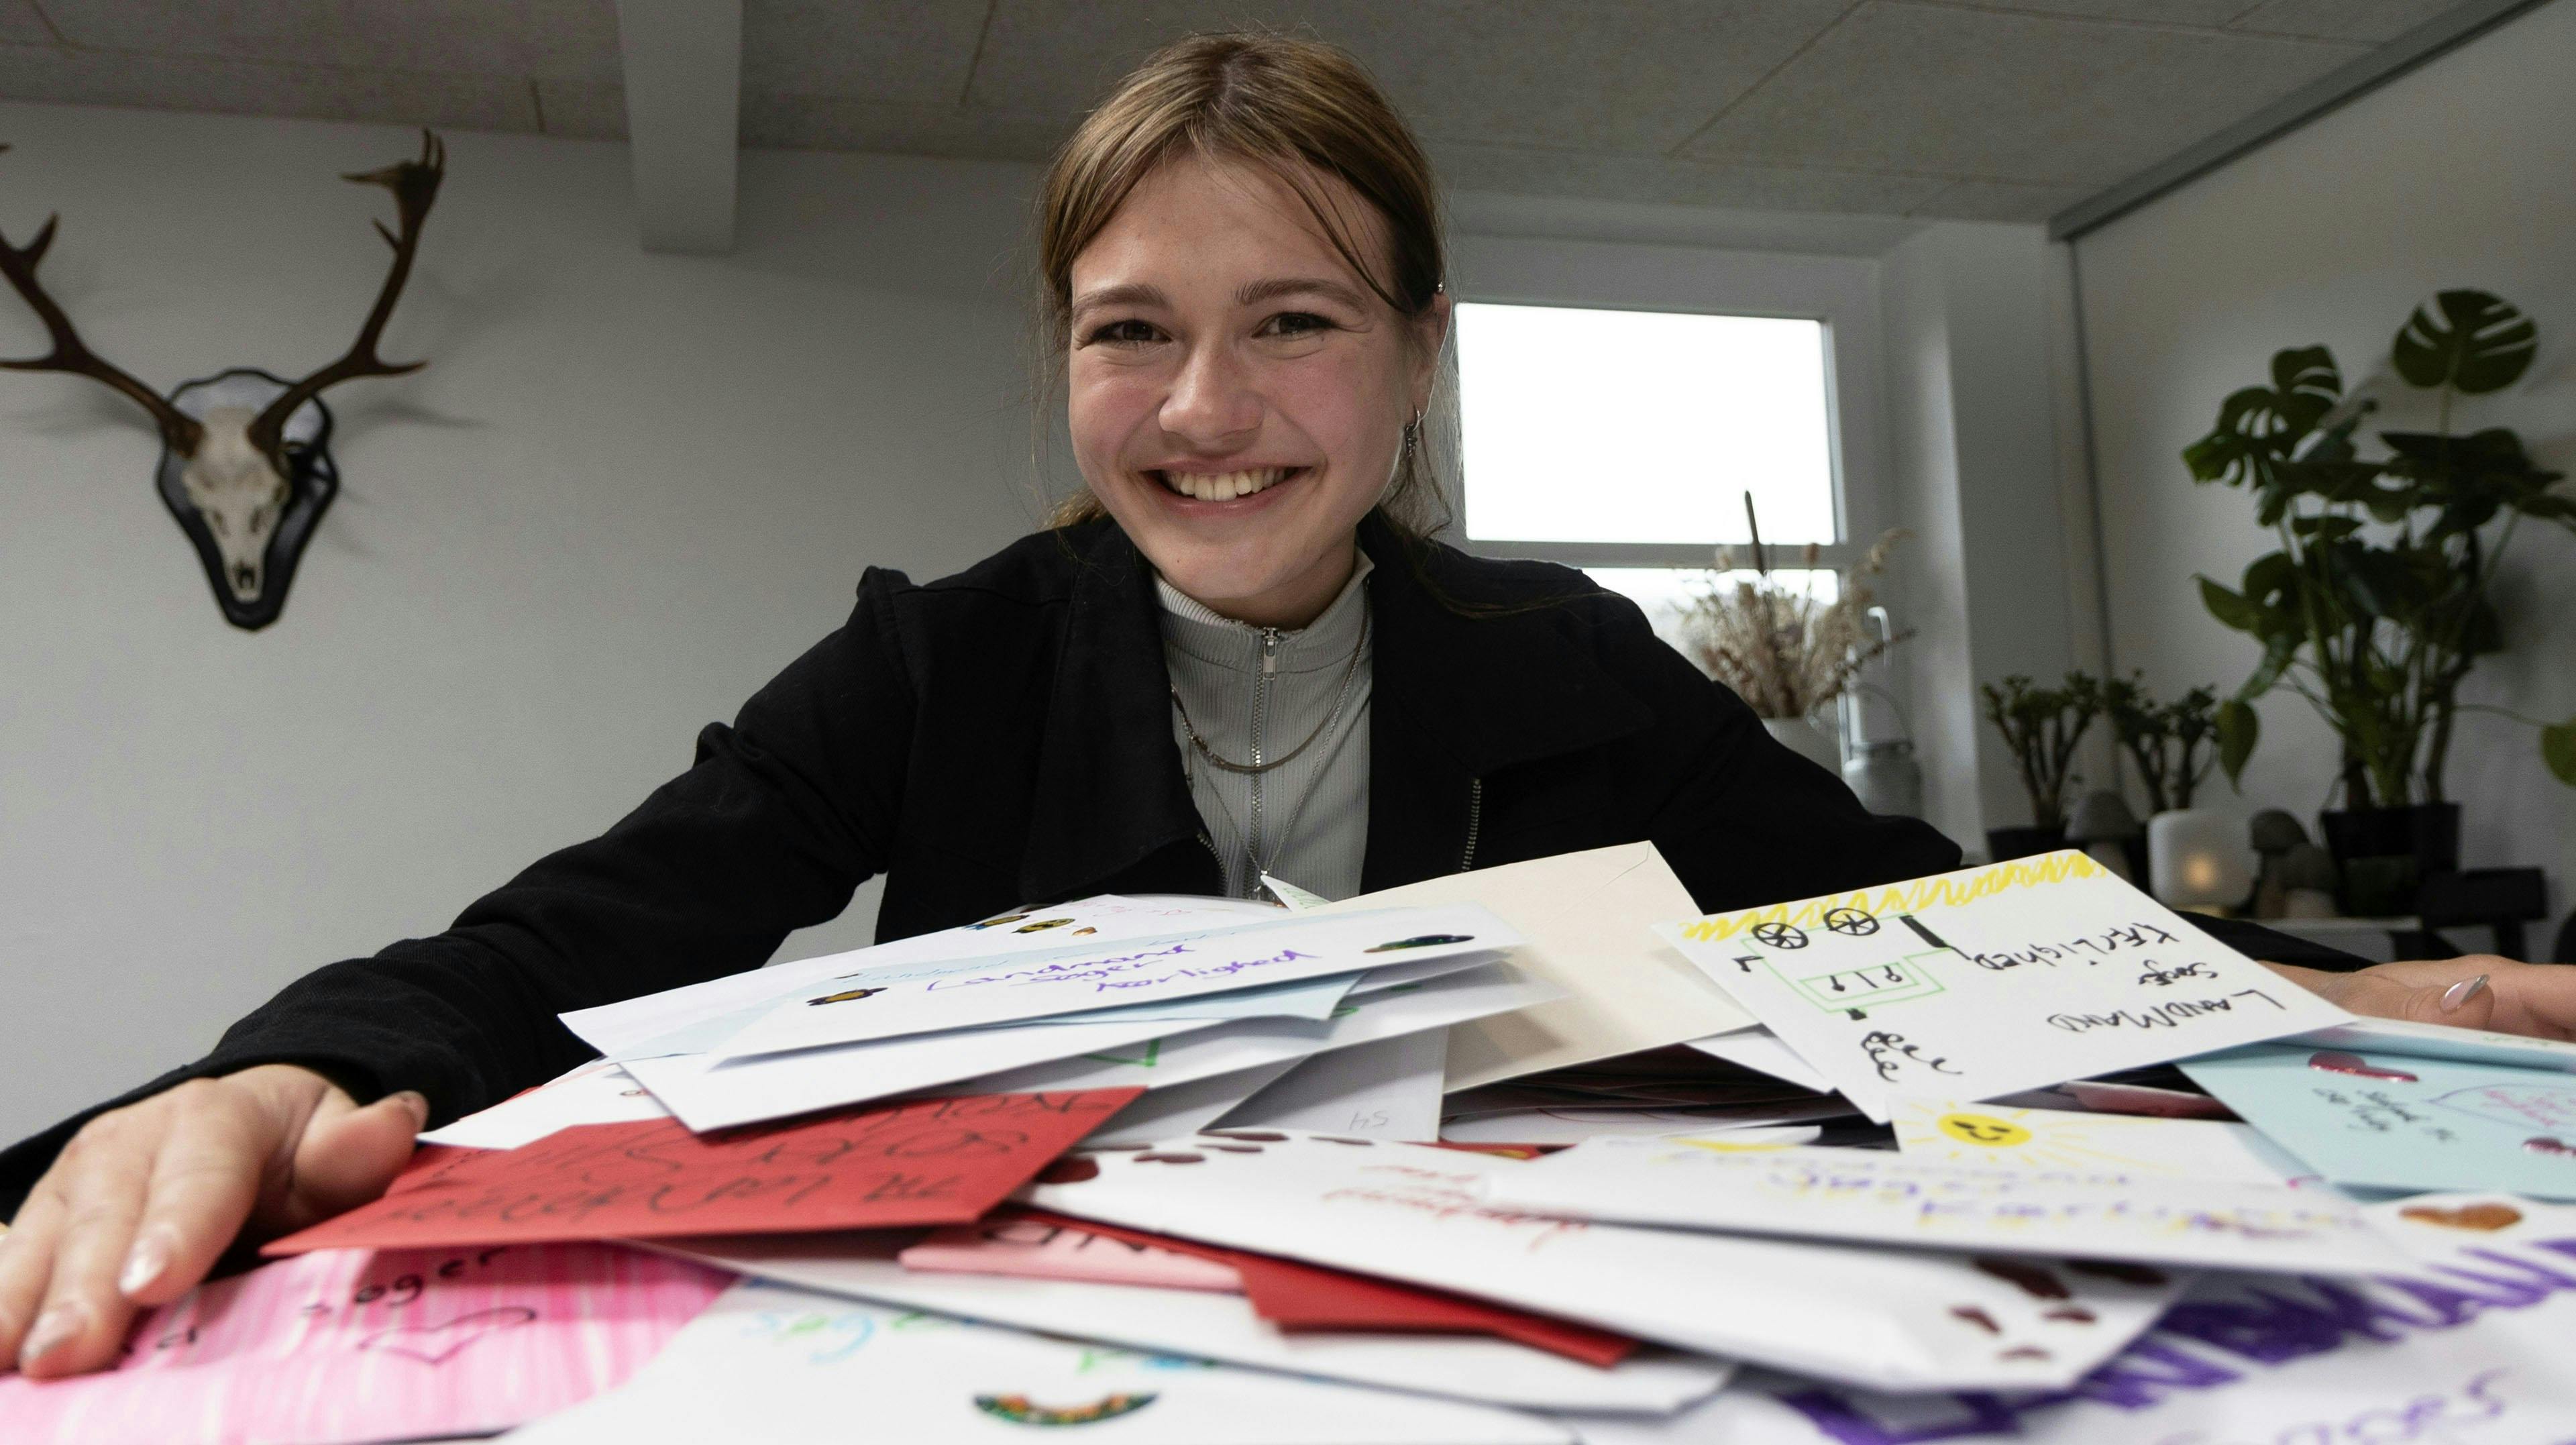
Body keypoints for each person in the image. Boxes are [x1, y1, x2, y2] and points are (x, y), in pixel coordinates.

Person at [1, 31, 2563, 1382]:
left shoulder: (1553, 652)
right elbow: (579, 936)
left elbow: (1909, 916)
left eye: (1296, 323)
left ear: (1415, 364)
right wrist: (247, 1075)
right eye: (1136, 333)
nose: (1207, 409)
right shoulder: (941, 653)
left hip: (1512, 1341)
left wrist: (2309, 995)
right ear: (1066, 363)